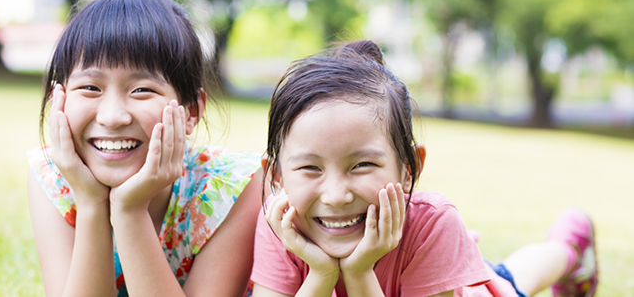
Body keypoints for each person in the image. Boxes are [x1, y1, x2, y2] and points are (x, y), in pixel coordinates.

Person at [250, 40, 598, 297]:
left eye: (362, 165)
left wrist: (358, 272)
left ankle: (571, 246)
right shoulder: (281, 225)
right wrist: (322, 273)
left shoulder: (433, 223)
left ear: (409, 169)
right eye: (310, 168)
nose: (337, 196)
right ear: (277, 176)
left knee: (514, 276)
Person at [26, 0, 263, 296]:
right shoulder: (54, 176)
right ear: (57, 99)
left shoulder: (231, 189)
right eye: (90, 88)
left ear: (191, 111)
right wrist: (90, 203)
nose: (112, 117)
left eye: (142, 90)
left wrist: (129, 210)